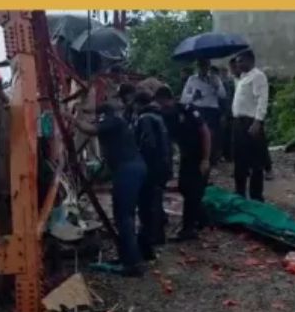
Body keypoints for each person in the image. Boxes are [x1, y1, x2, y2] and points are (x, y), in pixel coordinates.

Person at [72, 102, 150, 275]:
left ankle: (132, 264)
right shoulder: (116, 124)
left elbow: (89, 130)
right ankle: (128, 257)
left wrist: (70, 118)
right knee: (123, 215)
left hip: (128, 170)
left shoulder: (113, 121)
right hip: (130, 169)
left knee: (124, 216)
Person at [155, 87, 210, 242]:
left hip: (199, 155)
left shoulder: (187, 110)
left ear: (167, 99)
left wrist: (205, 159)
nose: (162, 108)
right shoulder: (167, 115)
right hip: (186, 155)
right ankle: (203, 219)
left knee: (193, 191)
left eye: (163, 104)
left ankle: (189, 229)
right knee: (184, 188)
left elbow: (205, 132)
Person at [132, 91, 173, 246]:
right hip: (162, 165)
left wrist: (139, 161)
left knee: (148, 203)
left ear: (137, 103)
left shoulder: (145, 118)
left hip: (152, 166)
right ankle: (157, 235)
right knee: (156, 200)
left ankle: (150, 236)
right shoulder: (158, 116)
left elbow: (148, 143)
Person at [230, 49, 269, 201]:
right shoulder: (242, 78)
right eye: (237, 62)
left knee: (255, 162)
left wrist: (258, 121)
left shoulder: (258, 76)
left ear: (250, 61)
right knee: (240, 160)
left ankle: (256, 196)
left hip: (251, 122)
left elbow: (262, 99)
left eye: (241, 61)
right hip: (238, 123)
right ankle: (239, 192)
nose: (238, 64)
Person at [181, 58, 226, 166]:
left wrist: (217, 86)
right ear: (198, 67)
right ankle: (199, 158)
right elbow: (183, 98)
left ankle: (211, 159)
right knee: (198, 135)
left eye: (205, 65)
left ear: (209, 66)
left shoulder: (215, 78)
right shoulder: (192, 79)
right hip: (198, 110)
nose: (203, 68)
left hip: (212, 110)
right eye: (201, 65)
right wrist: (193, 96)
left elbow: (223, 95)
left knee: (212, 135)